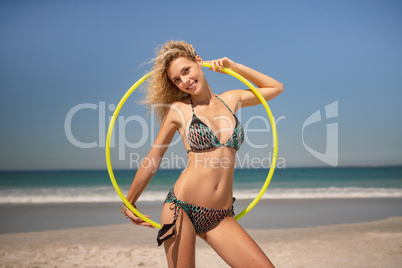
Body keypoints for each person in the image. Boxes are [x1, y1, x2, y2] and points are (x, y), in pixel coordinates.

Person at [121, 40, 283, 268]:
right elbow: (153, 159)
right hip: (181, 208)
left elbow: (275, 87)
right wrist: (129, 202)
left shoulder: (232, 99)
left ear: (199, 62)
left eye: (186, 71)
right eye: (177, 79)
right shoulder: (178, 110)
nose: (185, 81)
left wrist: (233, 66)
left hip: (220, 215)